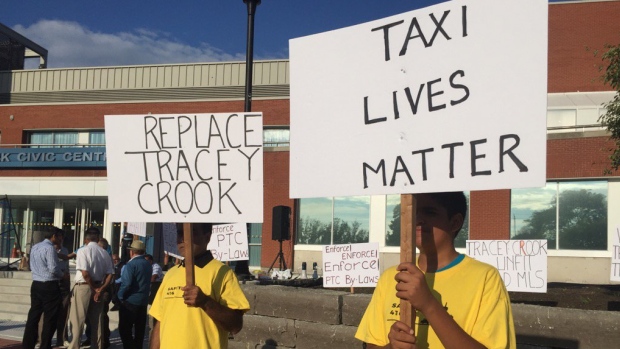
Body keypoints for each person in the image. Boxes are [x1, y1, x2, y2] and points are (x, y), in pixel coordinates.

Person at [355, 192, 516, 349]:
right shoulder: (392, 276)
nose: (417, 219)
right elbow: (372, 344)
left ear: (455, 222)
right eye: (413, 212)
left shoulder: (486, 278)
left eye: (429, 212)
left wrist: (428, 303)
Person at [149, 223, 250, 349]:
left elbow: (235, 325)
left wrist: (205, 302)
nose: (182, 238)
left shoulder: (223, 273)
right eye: (180, 233)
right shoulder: (170, 274)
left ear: (207, 237)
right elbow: (159, 322)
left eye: (192, 233)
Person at [67, 228, 114, 349]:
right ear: (98, 239)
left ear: (85, 239)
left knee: (78, 319)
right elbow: (110, 274)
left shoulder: (83, 251)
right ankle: (97, 346)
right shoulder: (104, 253)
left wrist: (93, 288)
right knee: (97, 320)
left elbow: (85, 273)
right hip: (99, 285)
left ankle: (74, 346)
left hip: (84, 286)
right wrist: (101, 288)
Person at [22, 226, 65, 349]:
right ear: (54, 236)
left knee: (33, 316)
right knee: (50, 317)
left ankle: (27, 344)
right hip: (49, 284)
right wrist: (63, 275)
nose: (61, 239)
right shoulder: (49, 248)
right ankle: (45, 345)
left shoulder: (35, 247)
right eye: (60, 237)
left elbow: (31, 264)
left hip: (36, 283)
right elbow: (53, 269)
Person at [117, 240, 152, 349]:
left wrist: (120, 295)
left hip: (130, 301)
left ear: (132, 252)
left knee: (124, 329)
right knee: (139, 331)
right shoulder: (148, 264)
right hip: (143, 301)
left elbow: (126, 283)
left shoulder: (131, 264)